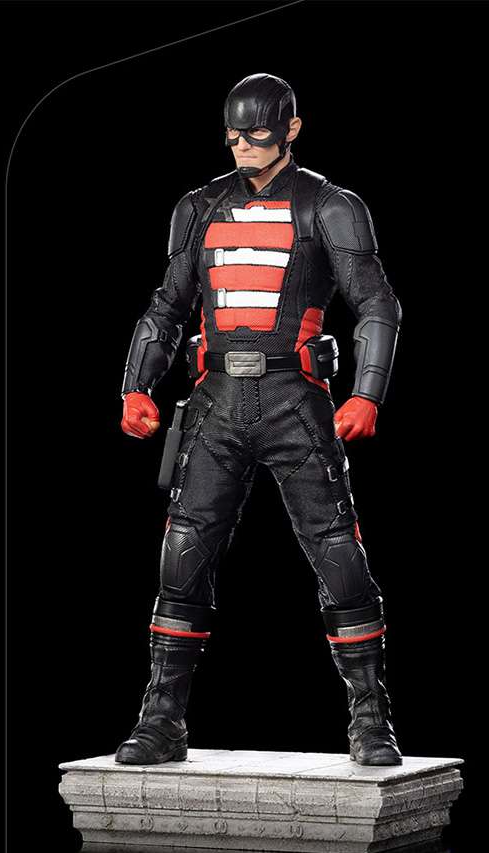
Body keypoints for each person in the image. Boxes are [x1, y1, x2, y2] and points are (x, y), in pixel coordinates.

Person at [115, 73, 403, 767]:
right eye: (233, 133)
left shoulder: (329, 206)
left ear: (291, 129)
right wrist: (135, 386)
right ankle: (161, 720)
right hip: (214, 402)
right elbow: (168, 305)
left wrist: (366, 393)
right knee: (183, 553)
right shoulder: (199, 206)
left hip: (294, 400)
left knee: (337, 553)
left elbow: (376, 304)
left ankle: (371, 720)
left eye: (259, 132)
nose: (243, 145)